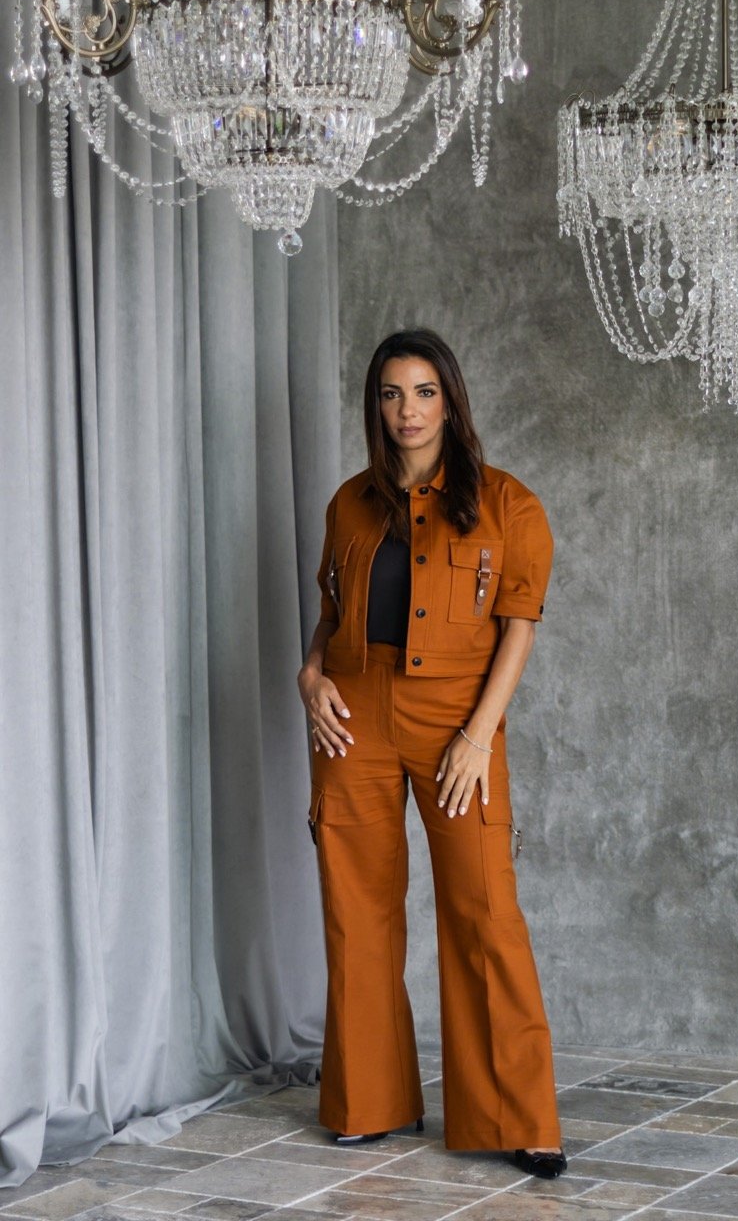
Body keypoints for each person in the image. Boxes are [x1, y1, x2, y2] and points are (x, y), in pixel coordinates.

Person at [297, 329, 566, 1179]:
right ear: (374, 404)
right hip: (354, 717)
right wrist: (308, 678)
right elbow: (332, 617)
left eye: (422, 392)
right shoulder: (349, 503)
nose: (406, 410)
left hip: (457, 718)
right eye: (389, 393)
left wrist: (478, 736)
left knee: (483, 910)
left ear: (449, 401)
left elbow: (517, 630)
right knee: (357, 911)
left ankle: (516, 1117)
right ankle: (368, 1103)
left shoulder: (506, 504)